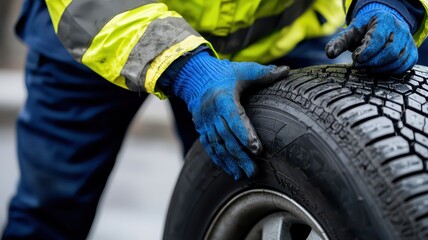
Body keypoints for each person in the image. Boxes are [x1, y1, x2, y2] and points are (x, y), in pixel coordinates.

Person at [2, 0, 427, 239]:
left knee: (280, 180)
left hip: (271, 39)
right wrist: (188, 69)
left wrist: (393, 3)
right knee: (50, 213)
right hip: (100, 26)